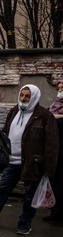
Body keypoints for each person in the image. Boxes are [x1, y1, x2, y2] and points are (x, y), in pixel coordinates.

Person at [0, 85, 59, 234]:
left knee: (29, 196)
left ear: (34, 97)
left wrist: (48, 169)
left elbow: (52, 144)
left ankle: (25, 223)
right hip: (11, 162)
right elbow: (5, 134)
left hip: (32, 164)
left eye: (27, 96)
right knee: (1, 190)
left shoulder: (44, 116)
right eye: (22, 95)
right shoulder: (14, 111)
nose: (23, 99)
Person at [43, 80, 63, 222]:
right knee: (54, 181)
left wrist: (54, 118)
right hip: (54, 151)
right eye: (59, 87)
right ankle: (55, 213)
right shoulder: (55, 106)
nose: (60, 90)